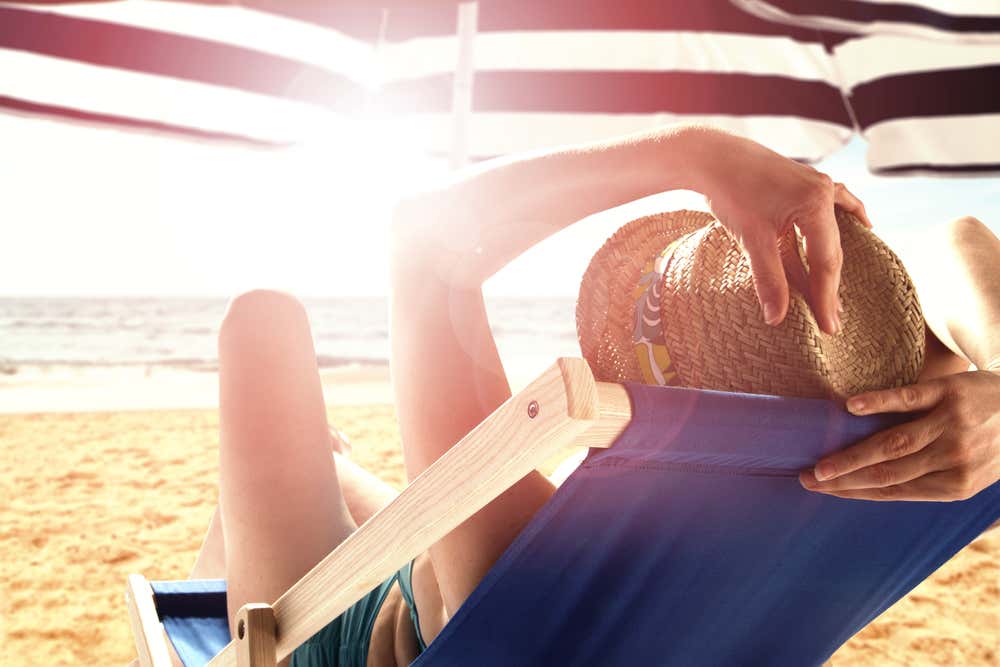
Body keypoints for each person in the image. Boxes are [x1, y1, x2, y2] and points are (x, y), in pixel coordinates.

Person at [183, 124, 999, 667]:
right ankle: (332, 470)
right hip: (443, 558)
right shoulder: (906, 452)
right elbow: (959, 241)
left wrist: (695, 151)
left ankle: (301, 485)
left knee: (262, 323)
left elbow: (422, 238)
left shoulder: (520, 553)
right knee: (379, 504)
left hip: (332, 637)